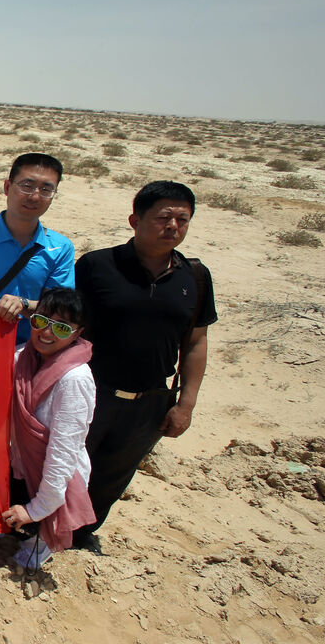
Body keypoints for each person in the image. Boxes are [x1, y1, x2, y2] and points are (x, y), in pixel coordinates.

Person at [71, 181, 216, 552]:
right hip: (92, 390)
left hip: (151, 398)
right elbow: (69, 324)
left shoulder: (195, 278)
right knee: (67, 465)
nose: (173, 227)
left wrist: (186, 404)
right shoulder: (96, 266)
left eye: (183, 220)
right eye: (164, 217)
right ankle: (38, 529)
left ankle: (81, 532)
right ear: (135, 220)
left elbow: (196, 342)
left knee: (114, 474)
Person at [1, 287, 96, 568]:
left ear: (78, 334)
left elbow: (63, 452)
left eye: (62, 328)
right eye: (41, 321)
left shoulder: (75, 379)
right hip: (19, 463)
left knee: (29, 550)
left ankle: (37, 546)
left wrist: (36, 510)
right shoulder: (22, 358)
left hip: (53, 479)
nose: (47, 333)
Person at [0, 153, 75, 344]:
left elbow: (60, 309)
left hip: (29, 350)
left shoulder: (61, 248)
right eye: (27, 186)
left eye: (46, 189)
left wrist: (23, 304)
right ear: (7, 187)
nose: (35, 196)